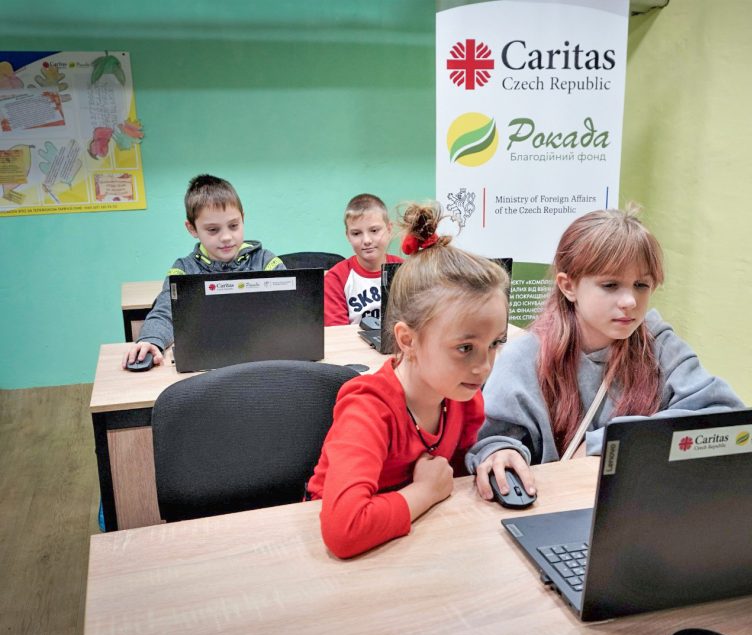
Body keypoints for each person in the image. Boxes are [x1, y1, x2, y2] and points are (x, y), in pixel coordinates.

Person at [467, 205, 744, 501]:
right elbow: (492, 442)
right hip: (552, 509)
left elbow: (724, 418)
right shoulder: (524, 357)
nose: (630, 301)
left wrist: (608, 442)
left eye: (641, 285)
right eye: (610, 285)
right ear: (568, 286)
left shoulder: (659, 344)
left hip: (637, 506)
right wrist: (501, 453)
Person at [306, 202, 510, 559]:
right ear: (407, 340)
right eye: (465, 348)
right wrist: (424, 492)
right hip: (343, 563)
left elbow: (456, 479)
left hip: (412, 542)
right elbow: (344, 530)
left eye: (495, 343)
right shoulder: (368, 408)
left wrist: (495, 454)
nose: (484, 367)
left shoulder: (463, 396)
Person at [121, 174, 284, 369]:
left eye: (233, 226)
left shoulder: (266, 262)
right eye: (213, 230)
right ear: (192, 229)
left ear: (243, 218)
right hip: (209, 366)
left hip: (263, 361)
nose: (226, 237)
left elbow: (291, 308)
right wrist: (150, 339)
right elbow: (165, 312)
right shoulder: (184, 270)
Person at [324, 193, 404, 326]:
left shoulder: (405, 271)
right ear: (348, 236)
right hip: (352, 340)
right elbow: (337, 332)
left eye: (374, 230)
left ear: (389, 229)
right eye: (356, 233)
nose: (367, 240)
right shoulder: (336, 279)